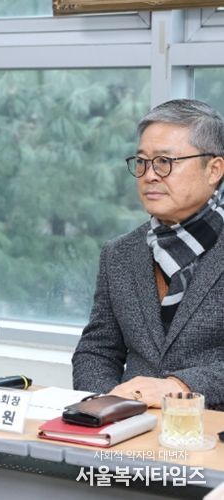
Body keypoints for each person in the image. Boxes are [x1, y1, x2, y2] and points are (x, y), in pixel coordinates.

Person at [72, 99, 224, 409]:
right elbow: (97, 350)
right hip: (129, 426)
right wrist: (108, 406)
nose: (150, 175)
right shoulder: (119, 253)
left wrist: (179, 387)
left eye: (165, 161)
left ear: (214, 170)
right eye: (142, 162)